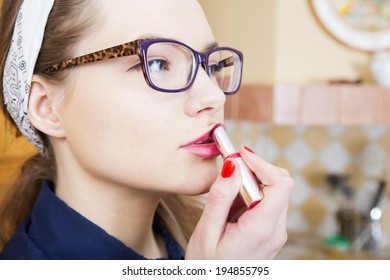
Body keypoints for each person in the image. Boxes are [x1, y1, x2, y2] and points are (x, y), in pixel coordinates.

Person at [0, 0, 294, 260]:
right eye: (157, 63)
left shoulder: (205, 245)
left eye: (211, 67)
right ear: (46, 107)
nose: (214, 97)